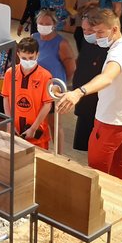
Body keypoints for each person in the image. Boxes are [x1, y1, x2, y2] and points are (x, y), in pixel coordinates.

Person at [56, 8, 122, 184]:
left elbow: (107, 77)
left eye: (101, 32)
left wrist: (79, 92)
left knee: (96, 172)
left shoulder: (119, 52)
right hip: (119, 121)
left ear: (114, 29)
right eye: (95, 32)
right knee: (120, 168)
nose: (97, 37)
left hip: (110, 122)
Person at [1, 38, 53, 150]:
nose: (28, 61)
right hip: (14, 131)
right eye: (24, 58)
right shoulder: (10, 73)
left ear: (37, 55)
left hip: (37, 134)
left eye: (31, 58)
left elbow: (47, 105)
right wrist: (10, 123)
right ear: (18, 54)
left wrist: (33, 128)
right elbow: (6, 98)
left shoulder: (45, 76)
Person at [34, 9, 75, 150]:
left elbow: (71, 67)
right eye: (41, 23)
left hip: (53, 90)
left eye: (47, 24)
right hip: (36, 88)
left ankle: (59, 154)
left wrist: (61, 84)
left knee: (54, 123)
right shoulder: (34, 38)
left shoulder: (61, 43)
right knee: (38, 121)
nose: (43, 26)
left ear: (54, 25)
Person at [71, 16, 108, 152]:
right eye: (84, 30)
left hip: (97, 94)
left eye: (90, 30)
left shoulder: (108, 48)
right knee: (83, 127)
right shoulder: (85, 41)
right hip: (83, 91)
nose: (86, 33)